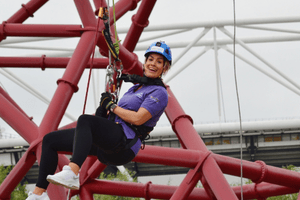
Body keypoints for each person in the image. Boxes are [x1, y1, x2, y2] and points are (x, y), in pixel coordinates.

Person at [26, 41, 172, 200]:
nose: (153, 64)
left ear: (165, 68)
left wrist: (113, 106)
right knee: (50, 140)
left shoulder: (159, 93)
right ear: (145, 63)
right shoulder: (135, 88)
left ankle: (73, 171)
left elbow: (138, 119)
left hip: (125, 143)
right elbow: (104, 121)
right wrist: (104, 108)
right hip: (112, 141)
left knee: (85, 121)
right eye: (150, 59)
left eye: (159, 61)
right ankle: (38, 195)